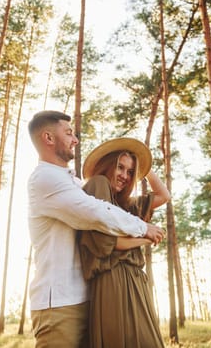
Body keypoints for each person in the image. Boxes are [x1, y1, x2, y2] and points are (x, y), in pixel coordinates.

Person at [27, 110, 165, 348]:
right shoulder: (45, 179)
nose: (75, 139)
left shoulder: (74, 183)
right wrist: (144, 229)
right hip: (59, 303)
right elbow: (95, 213)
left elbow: (109, 210)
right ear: (48, 138)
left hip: (86, 296)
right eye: (68, 133)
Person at [78, 137, 171, 348]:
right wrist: (145, 238)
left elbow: (164, 195)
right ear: (108, 165)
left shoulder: (126, 205)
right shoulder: (98, 184)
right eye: (120, 167)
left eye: (130, 172)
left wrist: (143, 167)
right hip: (113, 279)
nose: (124, 176)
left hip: (135, 279)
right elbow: (108, 244)